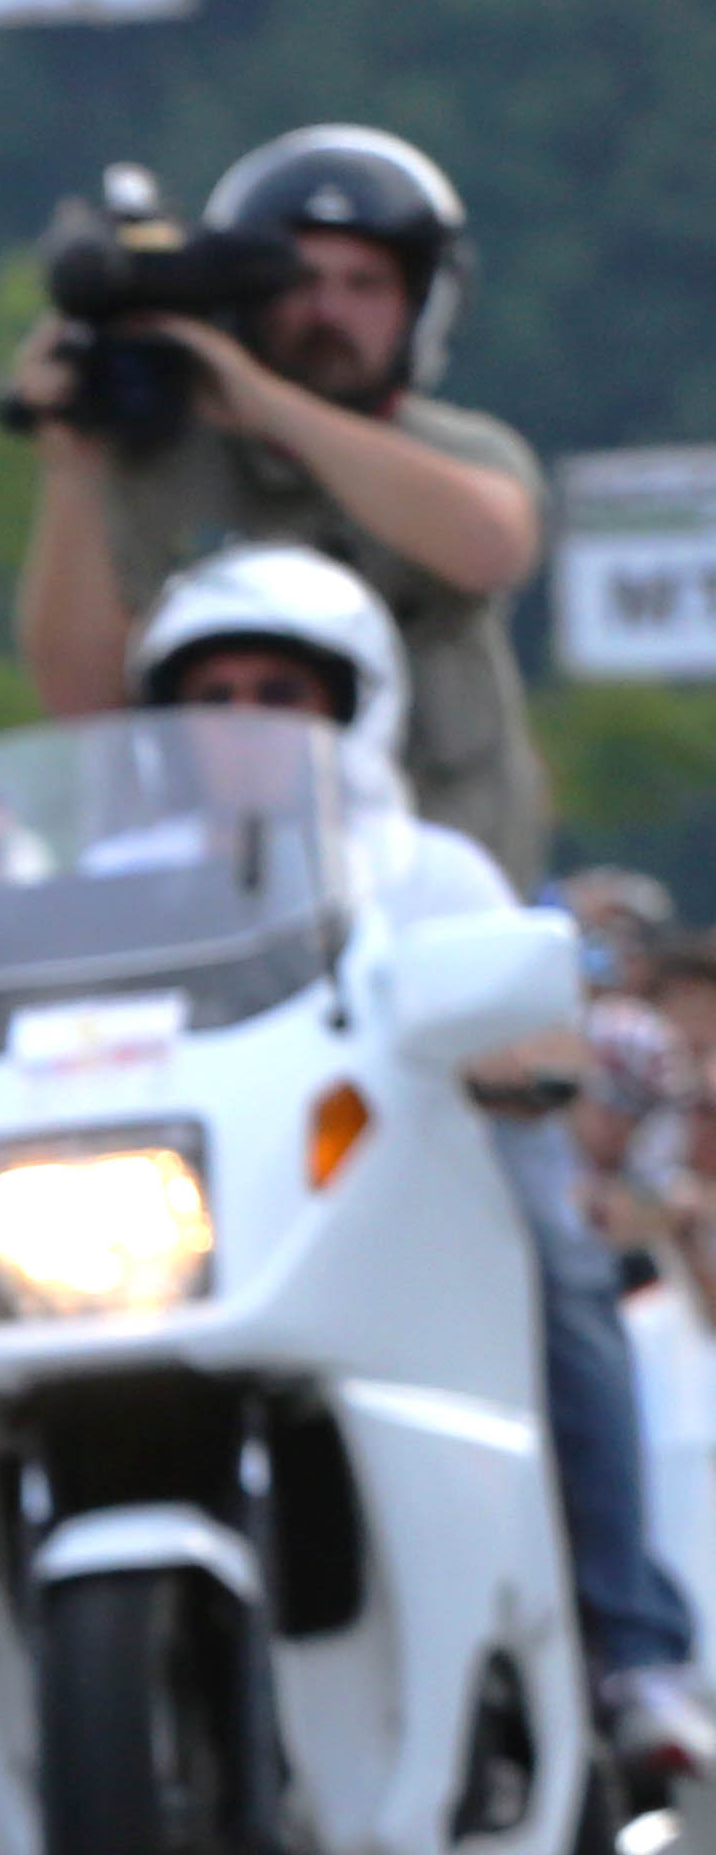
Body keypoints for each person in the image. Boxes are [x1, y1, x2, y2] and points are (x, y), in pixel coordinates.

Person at [117, 548, 714, 1787]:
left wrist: (515, 1062)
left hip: (403, 1224)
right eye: (211, 698)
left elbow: (541, 1028)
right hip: (196, 1232)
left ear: (350, 710)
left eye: (276, 695)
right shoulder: (115, 887)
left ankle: (630, 1648)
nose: (243, 726)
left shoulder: (426, 870)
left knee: (558, 1249)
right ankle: (67, 1748)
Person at [15, 126, 554, 886]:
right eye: (296, 284)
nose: (327, 311)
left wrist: (260, 400)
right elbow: (84, 701)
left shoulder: (460, 452)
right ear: (244, 302)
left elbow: (492, 546)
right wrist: (73, 466)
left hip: (439, 909)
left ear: (421, 304)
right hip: (218, 910)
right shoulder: (161, 468)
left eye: (364, 285)